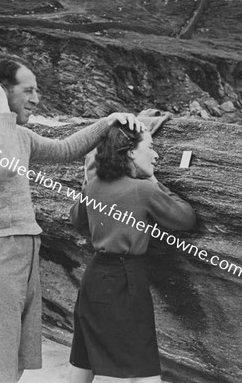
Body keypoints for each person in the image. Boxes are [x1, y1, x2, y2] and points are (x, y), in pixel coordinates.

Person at [0, 57, 146, 383]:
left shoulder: (16, 135)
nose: (36, 99)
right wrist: (0, 108)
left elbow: (65, 148)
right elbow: (2, 164)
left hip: (21, 250)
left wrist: (107, 121)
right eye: (28, 90)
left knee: (15, 359)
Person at [68, 121, 197, 383]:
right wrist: (154, 180)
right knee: (142, 370)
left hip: (93, 281)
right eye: (150, 147)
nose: (156, 154)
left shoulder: (95, 184)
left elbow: (78, 220)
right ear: (130, 153)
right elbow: (185, 219)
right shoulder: (144, 189)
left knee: (84, 361)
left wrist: (88, 181)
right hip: (124, 283)